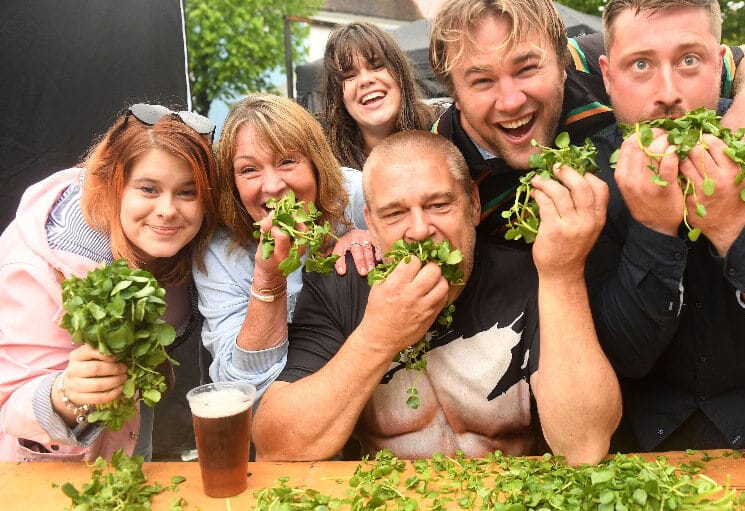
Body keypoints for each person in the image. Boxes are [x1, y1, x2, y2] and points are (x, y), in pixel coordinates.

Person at [252, 130, 620, 465]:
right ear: (371, 223)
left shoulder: (533, 276)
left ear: (473, 203)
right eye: (394, 213)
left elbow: (585, 446)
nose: (419, 230)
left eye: (439, 205)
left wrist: (562, 274)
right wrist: (377, 337)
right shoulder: (341, 285)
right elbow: (276, 444)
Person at [587, 0, 745, 452]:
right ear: (608, 76)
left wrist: (733, 228)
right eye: (640, 64)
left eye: (689, 60)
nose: (667, 92)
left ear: (720, 64)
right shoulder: (587, 177)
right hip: (640, 432)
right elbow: (624, 355)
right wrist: (652, 229)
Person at [427, 0, 745, 242]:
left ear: (562, 62)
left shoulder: (607, 66)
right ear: (454, 93)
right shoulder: (435, 164)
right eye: (482, 81)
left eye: (527, 69)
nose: (511, 101)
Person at [0, 103, 219, 461]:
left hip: (128, 456)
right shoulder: (38, 266)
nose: (167, 210)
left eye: (187, 192)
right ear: (113, 184)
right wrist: (65, 393)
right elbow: (8, 403)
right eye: (148, 189)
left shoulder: (179, 247)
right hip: (37, 472)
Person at [193, 94, 370, 400]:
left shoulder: (356, 195)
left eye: (287, 161)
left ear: (316, 163)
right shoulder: (219, 252)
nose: (273, 186)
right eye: (249, 170)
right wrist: (269, 280)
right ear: (232, 183)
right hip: (288, 413)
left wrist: (373, 236)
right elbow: (241, 390)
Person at [319, 21, 438, 170]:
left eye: (377, 66)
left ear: (400, 73)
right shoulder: (325, 166)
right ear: (337, 95)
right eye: (349, 76)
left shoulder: (444, 131)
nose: (365, 80)